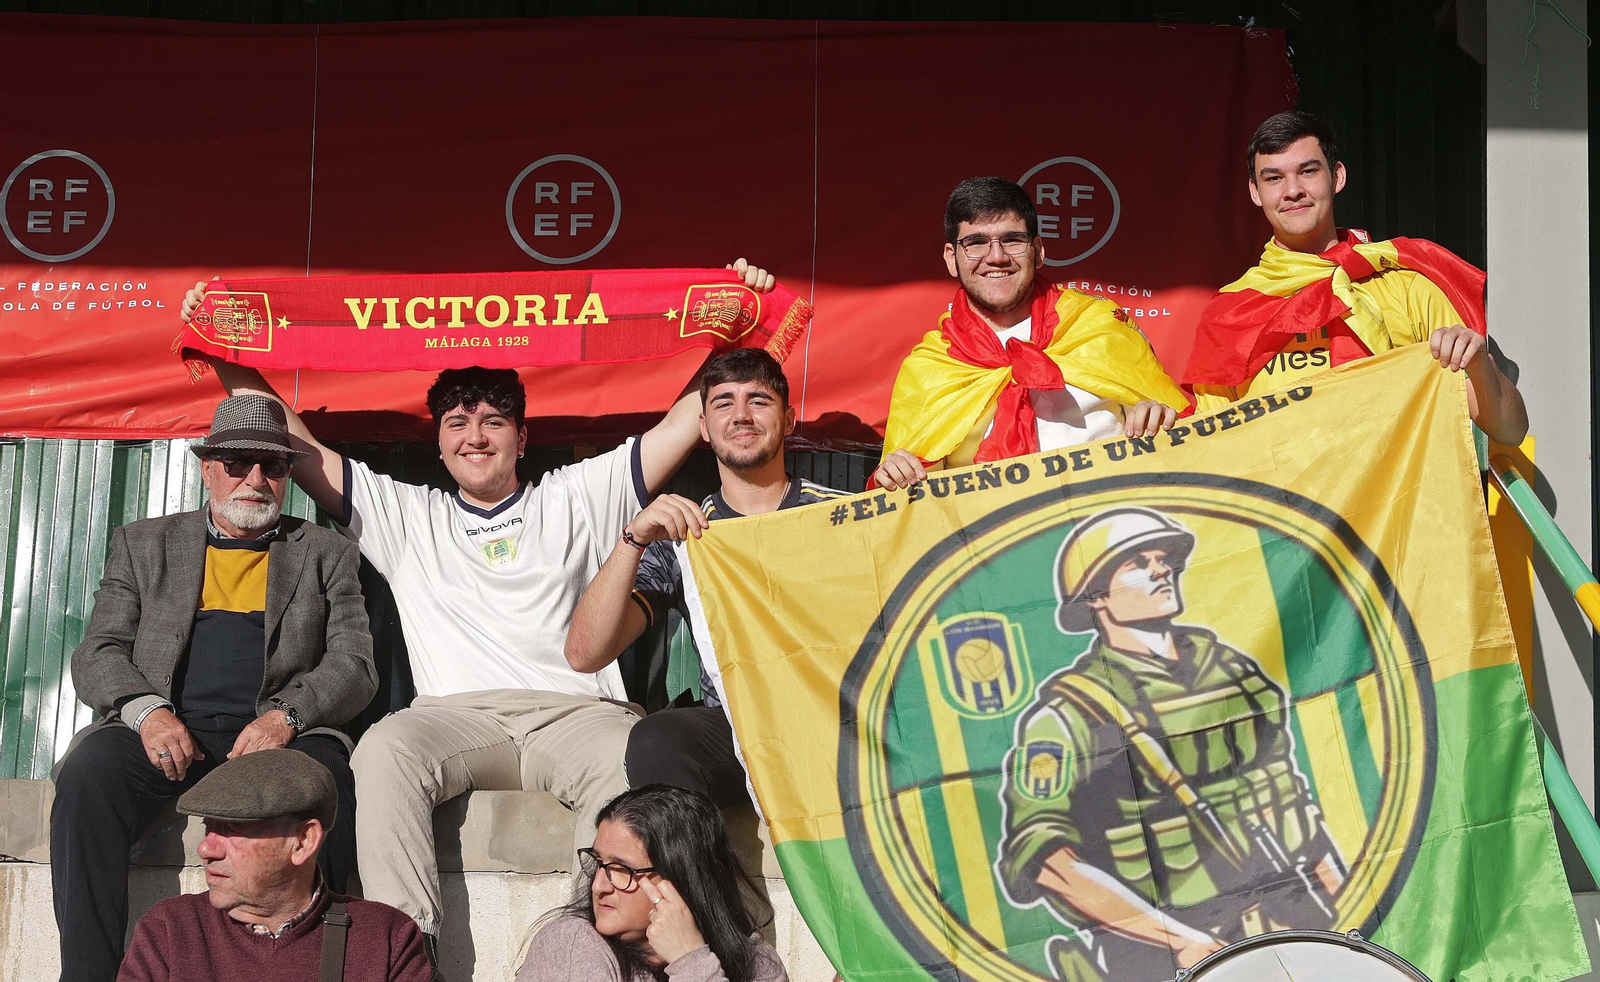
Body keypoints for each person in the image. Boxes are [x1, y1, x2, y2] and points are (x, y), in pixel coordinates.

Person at [177, 260, 777, 961]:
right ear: (438, 443)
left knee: (632, 761)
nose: (476, 436)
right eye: (457, 423)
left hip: (577, 714)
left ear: (523, 438)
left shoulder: (583, 492)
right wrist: (221, 344)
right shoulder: (407, 514)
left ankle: (592, 956)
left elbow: (690, 415)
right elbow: (300, 444)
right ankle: (407, 954)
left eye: (495, 422)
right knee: (384, 749)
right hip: (456, 719)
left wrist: (744, 317)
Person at [52, 395, 375, 982]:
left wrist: (287, 718)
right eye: (236, 464)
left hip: (275, 735)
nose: (255, 480)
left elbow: (354, 665)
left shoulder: (326, 553)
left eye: (272, 466)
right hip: (168, 731)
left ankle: (325, 967)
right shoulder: (144, 543)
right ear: (207, 469)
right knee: (87, 775)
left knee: (327, 776)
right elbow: (98, 652)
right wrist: (147, 713)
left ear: (287, 476)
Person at [995, 507, 1344, 982]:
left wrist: (1344, 915)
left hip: (1295, 932)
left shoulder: (1236, 673)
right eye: (1137, 563)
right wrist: (1181, 941)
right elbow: (1046, 860)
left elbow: (1289, 800)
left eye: (1163, 559)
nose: (1161, 570)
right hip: (1167, 957)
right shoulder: (1069, 713)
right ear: (1096, 597)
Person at [564, 348, 846, 806]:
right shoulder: (684, 536)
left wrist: (908, 496)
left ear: (789, 420)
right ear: (703, 427)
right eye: (723, 402)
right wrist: (632, 539)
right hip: (735, 729)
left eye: (759, 400)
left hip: (837, 721)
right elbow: (584, 654)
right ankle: (695, 857)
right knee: (657, 738)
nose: (741, 415)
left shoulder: (841, 515)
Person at [1184, 110, 1528, 445]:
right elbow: (1211, 449)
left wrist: (1481, 367)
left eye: (1308, 171)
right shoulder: (1229, 313)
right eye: (1274, 178)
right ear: (1255, 192)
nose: (1292, 190)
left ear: (1337, 177)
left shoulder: (1409, 287)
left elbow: (1511, 432)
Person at [870, 177, 1188, 491]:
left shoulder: (1099, 326)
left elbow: (1177, 441)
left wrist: (1157, 416)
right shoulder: (928, 368)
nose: (996, 257)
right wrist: (897, 474)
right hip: (986, 524)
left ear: (1037, 250)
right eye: (976, 243)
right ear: (952, 259)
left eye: (1012, 240)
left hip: (1108, 516)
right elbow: (914, 496)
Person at [117, 748, 434, 982]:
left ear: (303, 840)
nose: (205, 848)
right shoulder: (170, 929)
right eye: (208, 827)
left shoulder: (386, 936)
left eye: (234, 829)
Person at [517, 784, 787, 982]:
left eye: (622, 869)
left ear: (681, 877)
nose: (599, 886)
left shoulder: (755, 962)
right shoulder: (574, 943)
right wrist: (692, 963)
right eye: (599, 862)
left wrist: (689, 957)